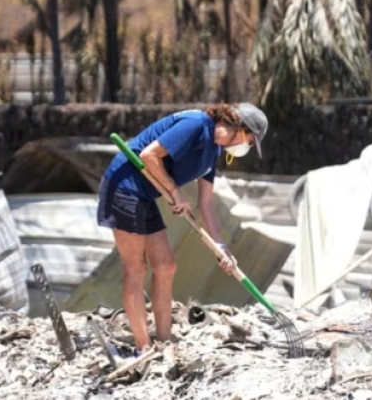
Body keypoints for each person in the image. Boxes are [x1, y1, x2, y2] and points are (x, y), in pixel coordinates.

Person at [97, 102, 269, 353]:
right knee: (136, 268)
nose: (247, 147)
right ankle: (142, 346)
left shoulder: (214, 153)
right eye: (250, 141)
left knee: (166, 265)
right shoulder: (195, 124)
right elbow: (148, 155)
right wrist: (175, 192)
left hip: (145, 195)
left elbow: (206, 203)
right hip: (123, 187)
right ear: (237, 126)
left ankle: (164, 341)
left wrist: (221, 247)